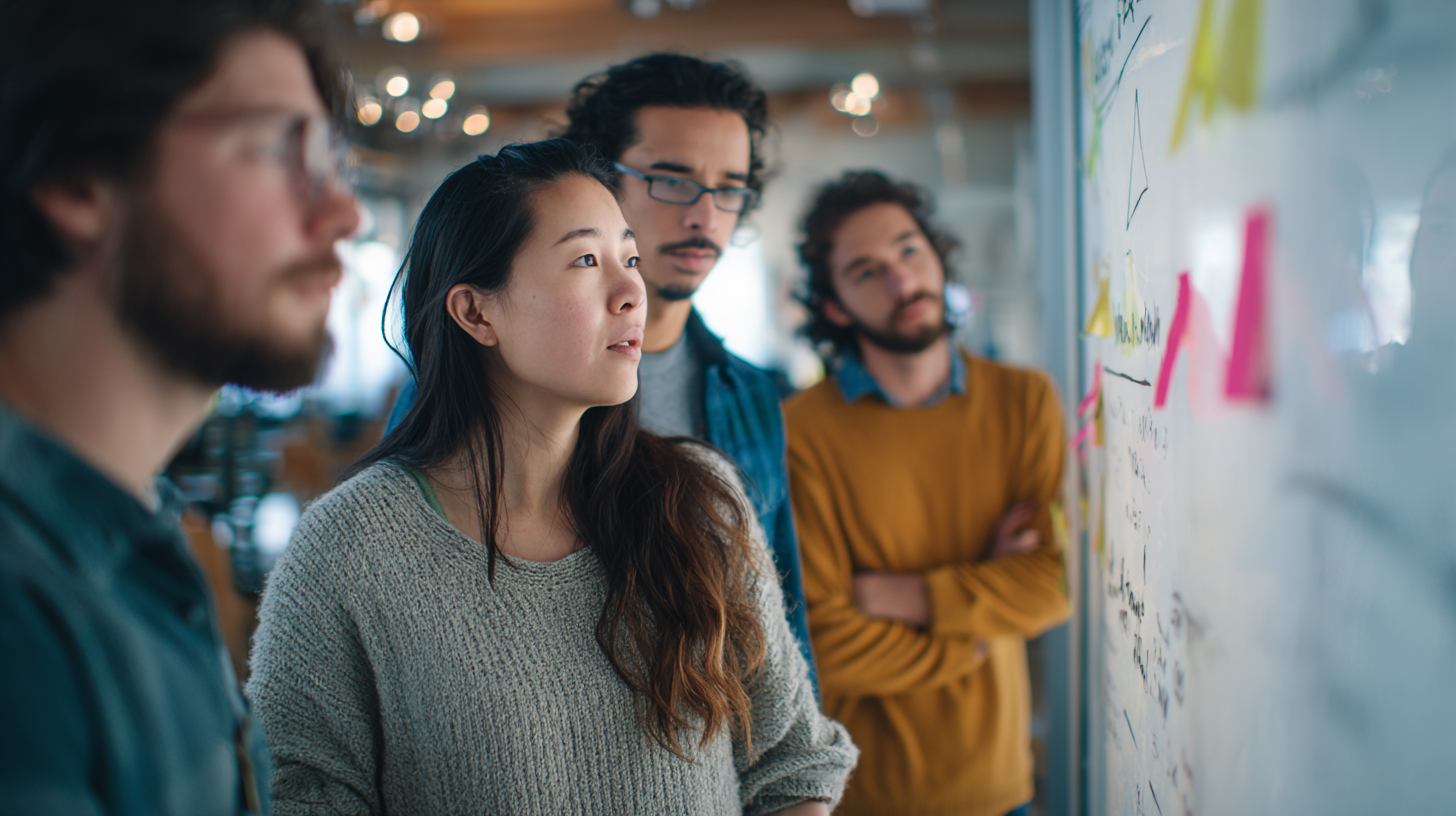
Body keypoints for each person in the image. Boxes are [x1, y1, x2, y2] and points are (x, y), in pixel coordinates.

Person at [246, 139, 856, 815]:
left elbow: (789, 766)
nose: (632, 292)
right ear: (477, 312)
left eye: (629, 258)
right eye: (586, 260)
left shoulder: (700, 502)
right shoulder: (350, 549)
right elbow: (301, 797)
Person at [0, 0, 359, 813]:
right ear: (77, 178)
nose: (343, 212)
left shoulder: (133, 537)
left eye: (332, 160)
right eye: (278, 149)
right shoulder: (22, 606)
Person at [383, 54, 817, 685]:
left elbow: (781, 631)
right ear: (600, 181)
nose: (704, 216)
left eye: (729, 187)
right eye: (671, 179)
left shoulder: (748, 394)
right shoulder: (483, 380)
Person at [784, 171, 1071, 816]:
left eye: (909, 250)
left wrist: (898, 594)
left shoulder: (1024, 400)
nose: (900, 281)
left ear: (938, 257)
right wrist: (974, 628)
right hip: (865, 797)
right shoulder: (803, 431)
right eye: (865, 271)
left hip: (1002, 789)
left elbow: (1055, 581)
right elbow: (825, 643)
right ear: (834, 306)